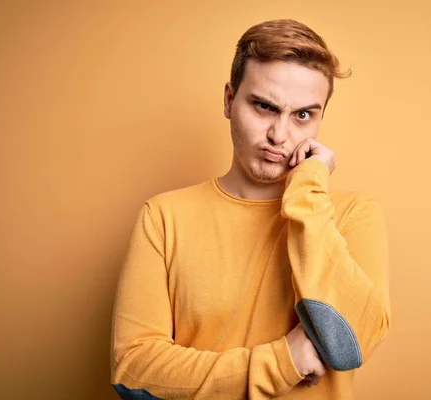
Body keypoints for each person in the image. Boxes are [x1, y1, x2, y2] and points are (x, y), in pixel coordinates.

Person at [110, 18, 391, 400]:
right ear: (229, 100)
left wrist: (307, 192)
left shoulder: (352, 214)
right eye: (264, 106)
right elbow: (134, 372)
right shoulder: (163, 217)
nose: (279, 134)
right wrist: (281, 362)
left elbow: (349, 344)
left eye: (303, 115)